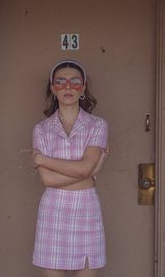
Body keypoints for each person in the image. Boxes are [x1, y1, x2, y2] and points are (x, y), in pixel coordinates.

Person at [31, 60, 109, 277]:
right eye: (61, 81)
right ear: (53, 87)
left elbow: (85, 168)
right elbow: (48, 181)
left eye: (75, 81)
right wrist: (89, 176)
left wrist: (42, 159)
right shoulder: (41, 129)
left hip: (86, 210)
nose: (68, 87)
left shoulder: (98, 125)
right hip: (53, 212)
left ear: (83, 87)